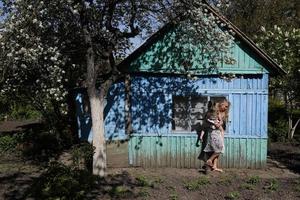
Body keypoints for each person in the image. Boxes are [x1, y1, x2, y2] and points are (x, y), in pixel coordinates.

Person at [198, 99, 230, 173]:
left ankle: (214, 166)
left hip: (219, 133)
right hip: (214, 134)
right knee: (219, 149)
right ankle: (209, 161)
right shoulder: (209, 115)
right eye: (225, 106)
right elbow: (205, 126)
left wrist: (219, 123)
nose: (226, 108)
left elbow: (220, 121)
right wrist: (201, 136)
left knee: (218, 150)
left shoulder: (218, 112)